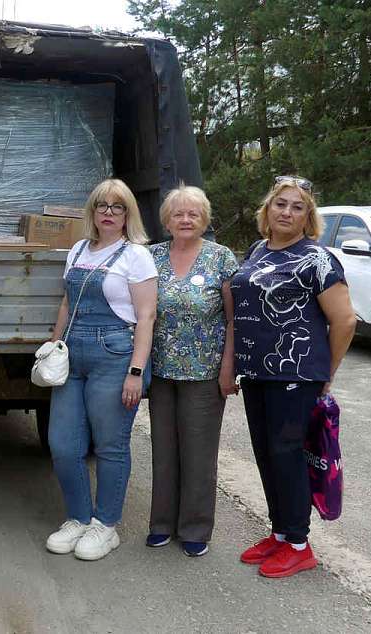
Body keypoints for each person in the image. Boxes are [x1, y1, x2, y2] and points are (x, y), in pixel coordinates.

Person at [230, 175, 356, 578]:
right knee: (266, 454)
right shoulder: (256, 250)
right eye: (280, 204)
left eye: (297, 207)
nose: (287, 212)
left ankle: (300, 544)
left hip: (296, 375)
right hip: (257, 373)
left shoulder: (317, 259)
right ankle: (281, 533)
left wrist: (326, 373)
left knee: (287, 455)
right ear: (268, 210)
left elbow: (345, 320)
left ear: (308, 217)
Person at [44, 178, 158, 561]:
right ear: (92, 211)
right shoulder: (78, 249)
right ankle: (77, 518)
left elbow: (146, 316)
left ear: (128, 214)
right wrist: (54, 347)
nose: (109, 213)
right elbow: (66, 303)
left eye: (118, 207)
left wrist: (136, 372)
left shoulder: (136, 256)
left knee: (110, 445)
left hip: (115, 354)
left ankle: (105, 525)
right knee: (62, 444)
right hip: (72, 355)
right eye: (103, 206)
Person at [146, 185, 239, 558]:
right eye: (178, 213)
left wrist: (228, 368)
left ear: (205, 219)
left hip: (205, 372)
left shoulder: (221, 258)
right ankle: (161, 523)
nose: (185, 219)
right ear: (167, 220)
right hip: (162, 371)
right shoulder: (149, 257)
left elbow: (234, 320)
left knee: (199, 453)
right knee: (164, 450)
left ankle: (196, 527)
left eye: (193, 213)